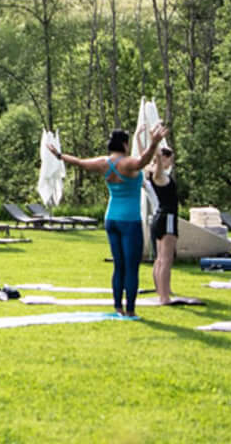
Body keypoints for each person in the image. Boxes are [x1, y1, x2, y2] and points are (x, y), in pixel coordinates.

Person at [47, 124, 166, 316]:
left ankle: (118, 307)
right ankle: (131, 310)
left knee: (119, 265)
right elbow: (143, 161)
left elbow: (79, 162)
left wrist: (60, 156)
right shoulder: (127, 163)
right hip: (129, 221)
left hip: (111, 219)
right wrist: (153, 143)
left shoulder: (104, 163)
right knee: (131, 267)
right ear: (125, 145)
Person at [148, 140, 183, 304]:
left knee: (160, 258)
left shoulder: (151, 171)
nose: (172, 162)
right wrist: (156, 147)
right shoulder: (158, 175)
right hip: (166, 217)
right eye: (170, 158)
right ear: (163, 159)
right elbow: (156, 163)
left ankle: (162, 291)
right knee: (166, 259)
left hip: (160, 217)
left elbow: (147, 158)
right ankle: (164, 297)